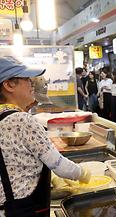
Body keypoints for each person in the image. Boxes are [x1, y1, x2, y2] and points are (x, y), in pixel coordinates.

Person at [0, 57, 91, 217]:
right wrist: (84, 174)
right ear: (8, 85)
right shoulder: (21, 120)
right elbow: (59, 165)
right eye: (27, 79)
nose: (32, 84)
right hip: (25, 209)